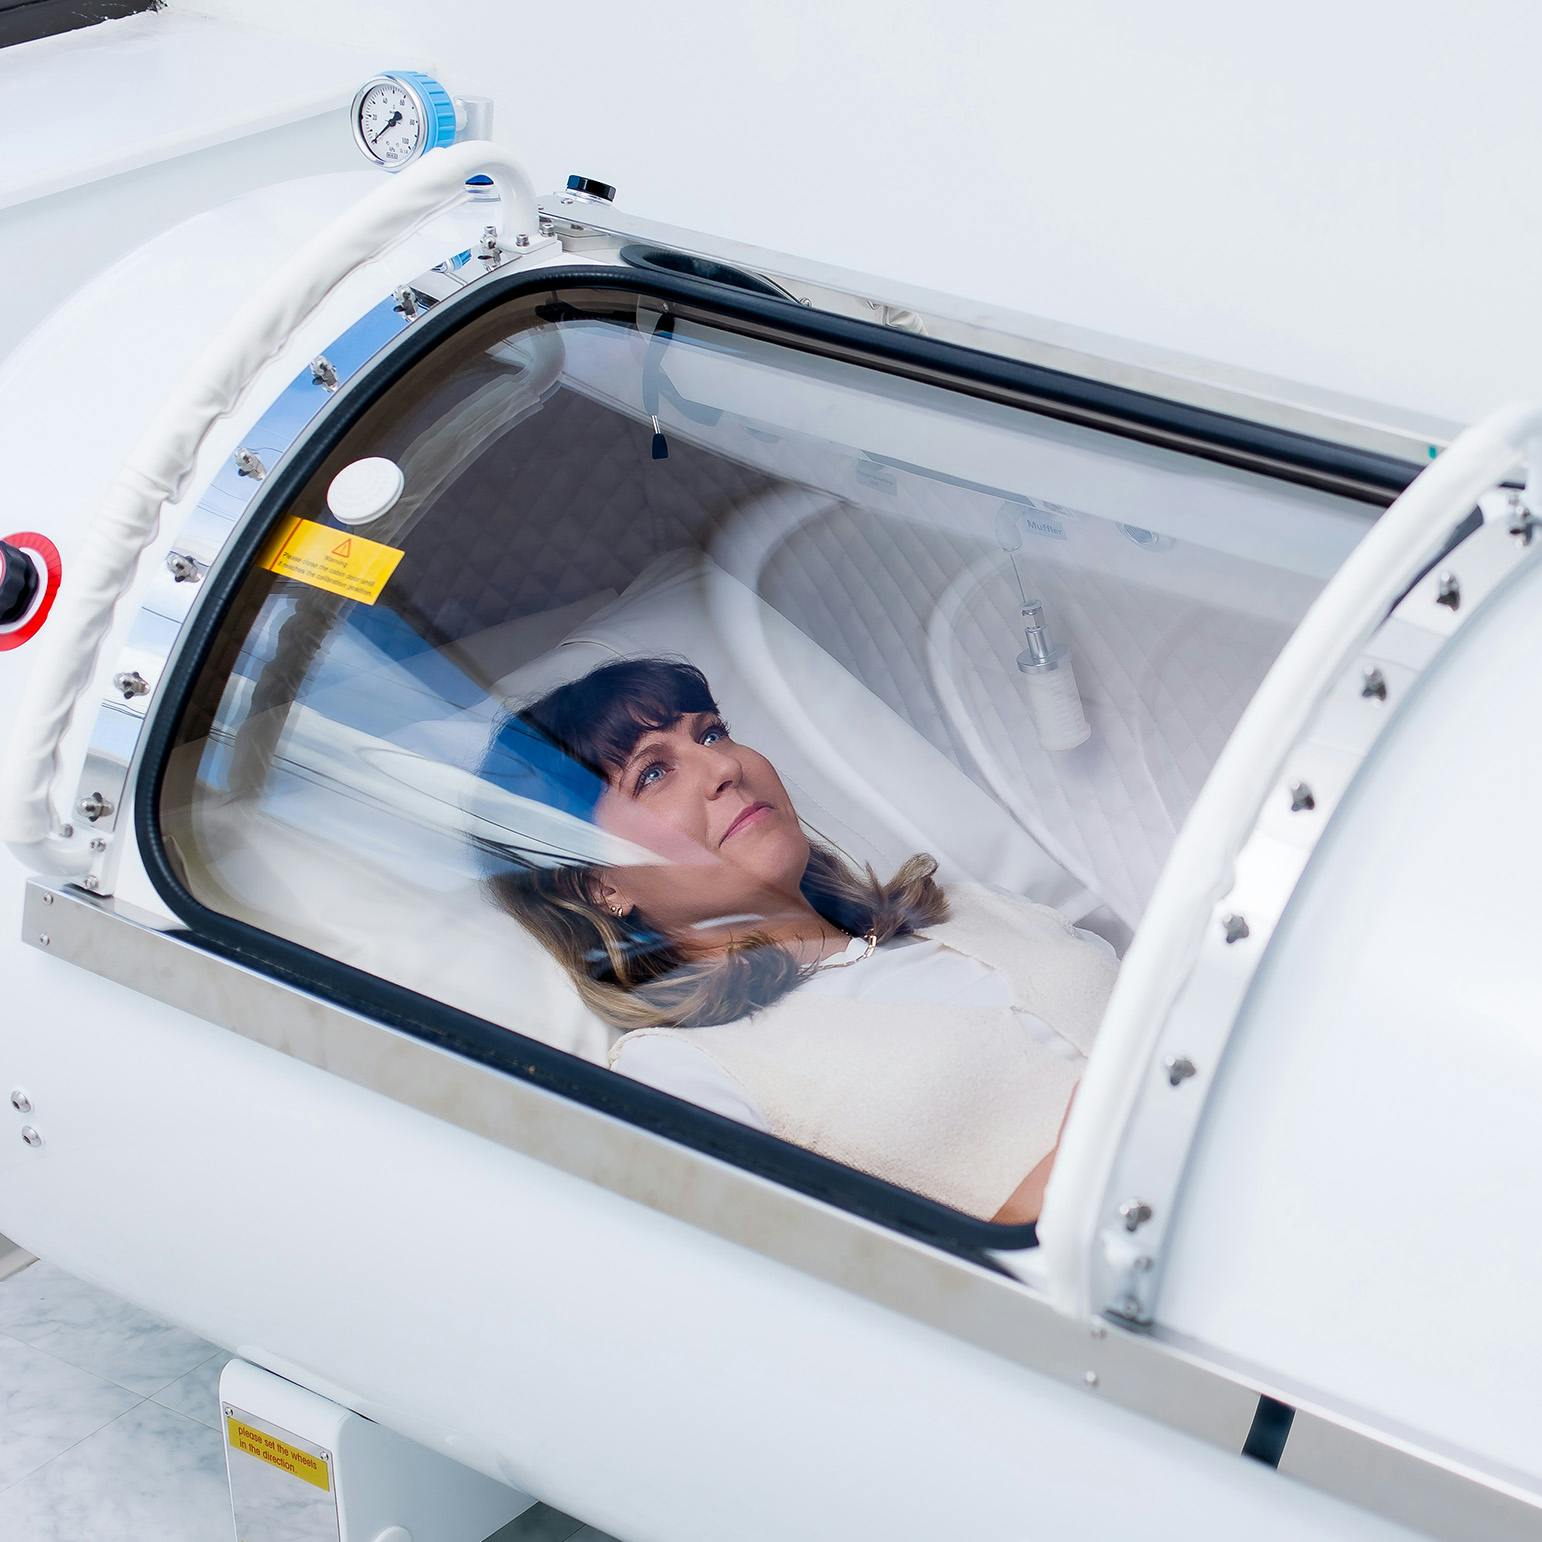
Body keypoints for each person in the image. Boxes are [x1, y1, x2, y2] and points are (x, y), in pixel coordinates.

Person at [486, 656, 1117, 1224]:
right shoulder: (684, 1070)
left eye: (711, 733)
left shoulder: (973, 908)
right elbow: (861, 1287)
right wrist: (1104, 1148)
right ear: (598, 884)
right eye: (652, 773)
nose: (725, 766)